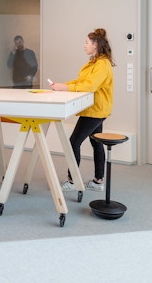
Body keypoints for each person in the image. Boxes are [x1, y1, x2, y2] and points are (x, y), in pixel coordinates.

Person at [50, 28, 115, 192]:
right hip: (94, 109)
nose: (84, 45)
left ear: (95, 45)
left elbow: (89, 86)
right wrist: (61, 86)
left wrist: (65, 87)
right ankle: (98, 181)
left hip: (95, 110)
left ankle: (72, 182)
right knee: (96, 142)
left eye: (87, 42)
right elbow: (80, 80)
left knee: (74, 142)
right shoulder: (94, 62)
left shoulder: (102, 64)